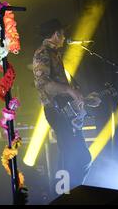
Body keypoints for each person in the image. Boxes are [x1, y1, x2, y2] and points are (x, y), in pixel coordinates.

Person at [32, 19, 92, 190]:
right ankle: (62, 193)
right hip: (56, 111)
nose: (65, 37)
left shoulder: (54, 54)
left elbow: (63, 90)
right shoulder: (42, 53)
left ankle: (69, 191)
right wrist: (71, 91)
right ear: (56, 34)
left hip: (65, 110)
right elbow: (43, 84)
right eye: (62, 33)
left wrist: (84, 98)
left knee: (78, 157)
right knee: (72, 156)